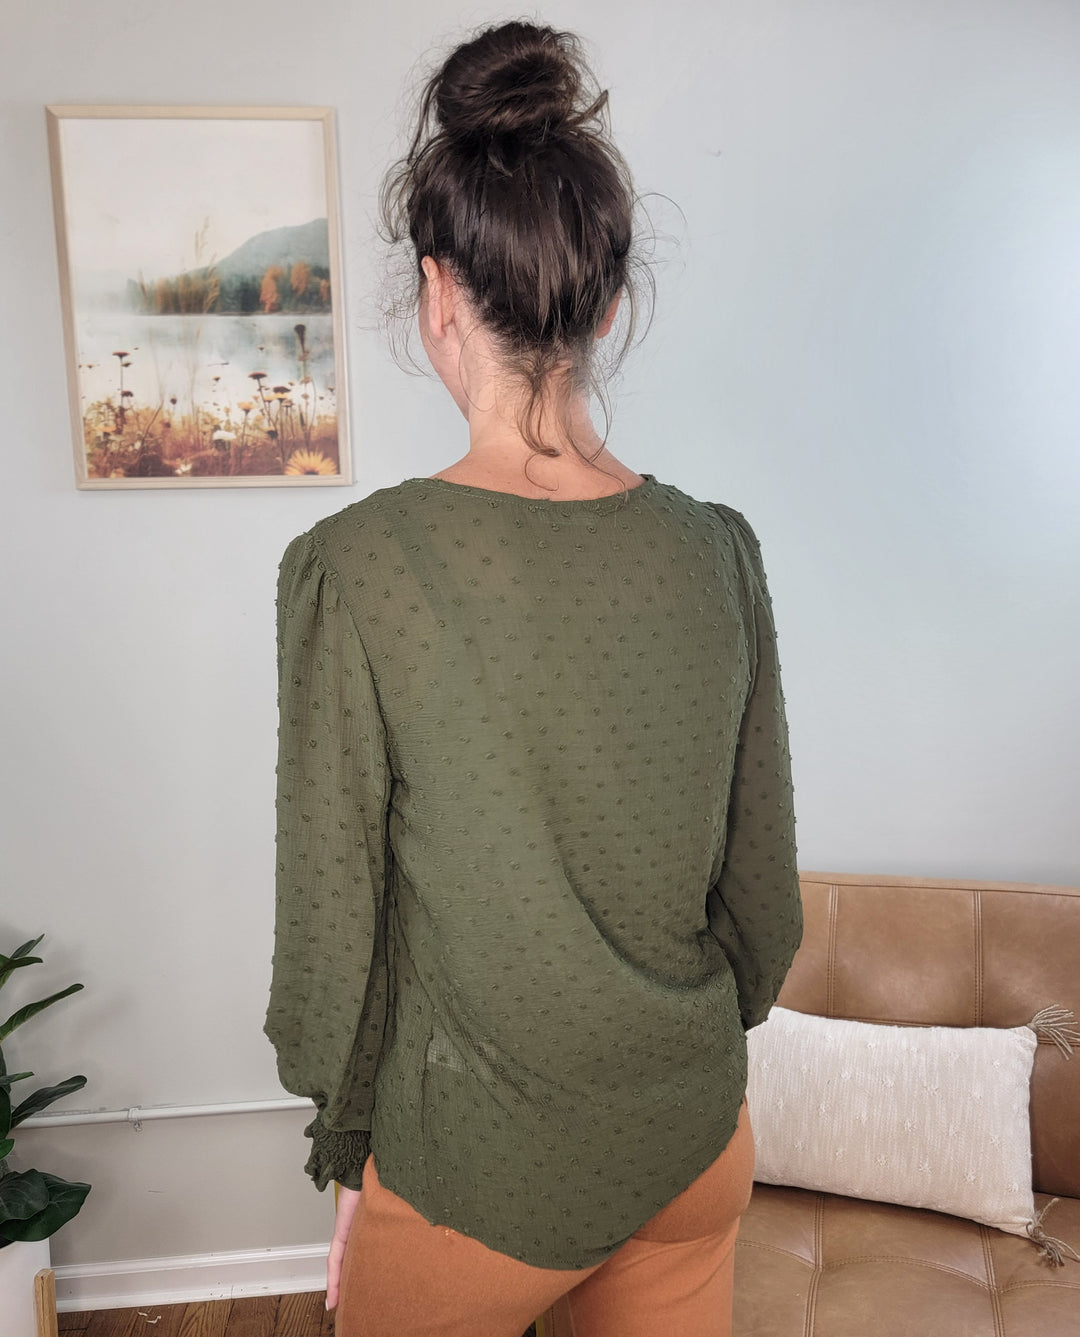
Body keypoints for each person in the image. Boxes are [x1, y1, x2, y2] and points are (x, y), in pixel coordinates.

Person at [263, 19, 803, 1337]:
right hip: (690, 1147)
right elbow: (763, 911)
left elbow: (333, 942)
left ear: (437, 296)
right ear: (606, 305)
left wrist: (349, 1150)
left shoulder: (359, 569)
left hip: (475, 1180)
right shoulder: (720, 554)